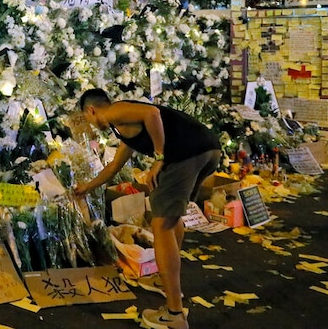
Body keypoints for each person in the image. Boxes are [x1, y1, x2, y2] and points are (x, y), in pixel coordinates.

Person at [74, 89, 221, 329]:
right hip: (206, 150)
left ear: (91, 110)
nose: (90, 124)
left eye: (87, 118)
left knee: (160, 224)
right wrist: (87, 187)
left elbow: (152, 112)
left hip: (185, 154)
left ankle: (174, 313)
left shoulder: (114, 111)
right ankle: (167, 282)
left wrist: (160, 157)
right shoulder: (124, 128)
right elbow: (113, 166)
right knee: (170, 220)